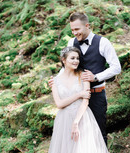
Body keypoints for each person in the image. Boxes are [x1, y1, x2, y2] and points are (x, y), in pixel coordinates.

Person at [49, 12, 121, 145]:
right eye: (72, 30)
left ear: (87, 26)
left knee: (99, 132)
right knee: (79, 134)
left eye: (77, 29)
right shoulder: (72, 42)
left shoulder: (103, 42)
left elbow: (116, 67)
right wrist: (57, 80)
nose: (74, 33)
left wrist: (96, 77)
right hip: (77, 97)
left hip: (96, 95)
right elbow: (67, 65)